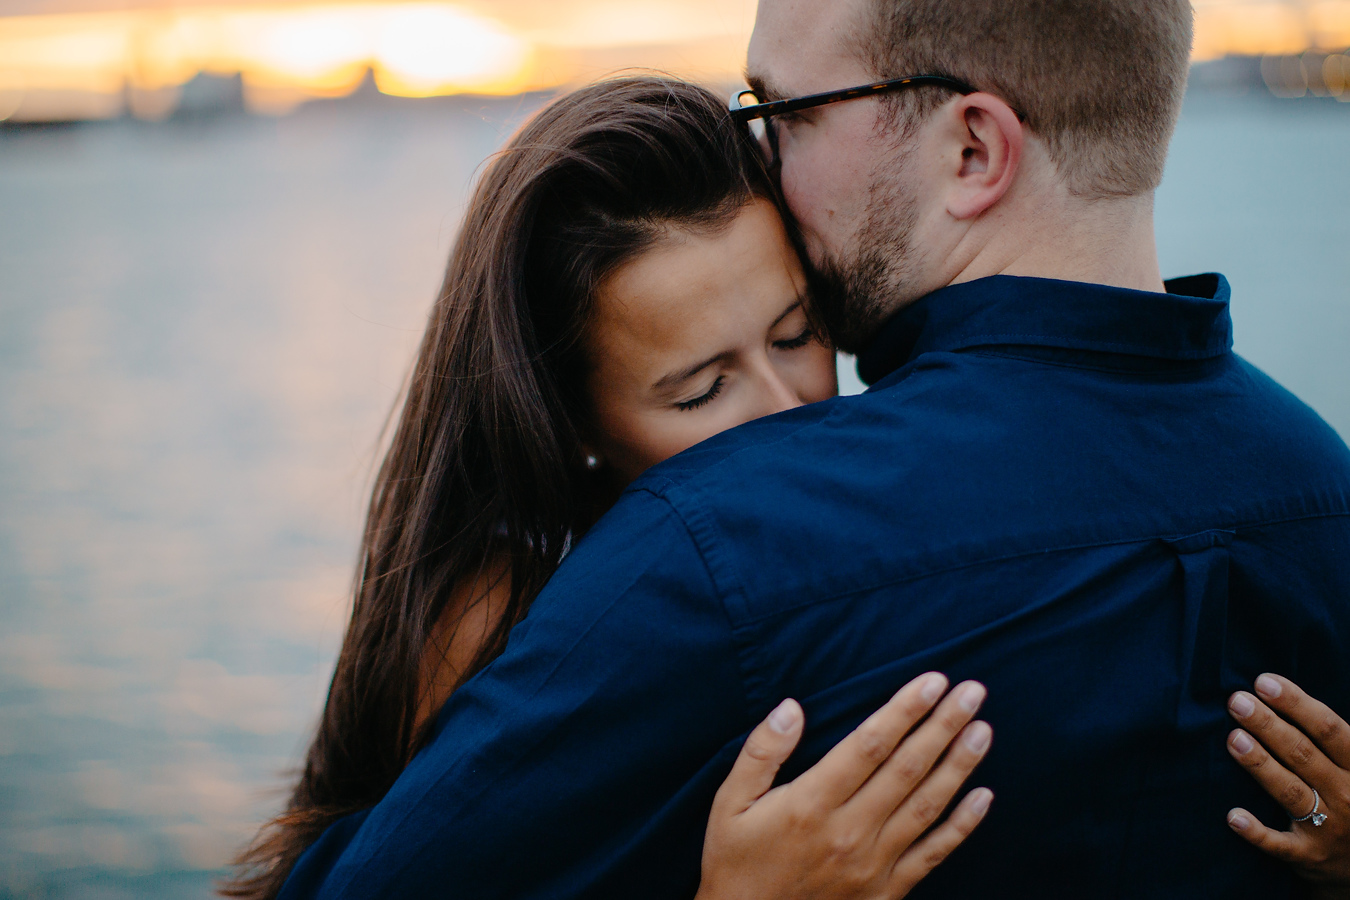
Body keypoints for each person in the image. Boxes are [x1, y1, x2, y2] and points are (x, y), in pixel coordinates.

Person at [273, 0, 1350, 895]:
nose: (765, 157)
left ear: (972, 149)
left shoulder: (715, 549)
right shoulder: (1326, 489)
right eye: (699, 386)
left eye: (780, 112)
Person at [225, 77, 998, 900]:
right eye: (702, 390)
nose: (787, 411)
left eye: (797, 334)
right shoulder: (495, 622)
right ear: (573, 426)